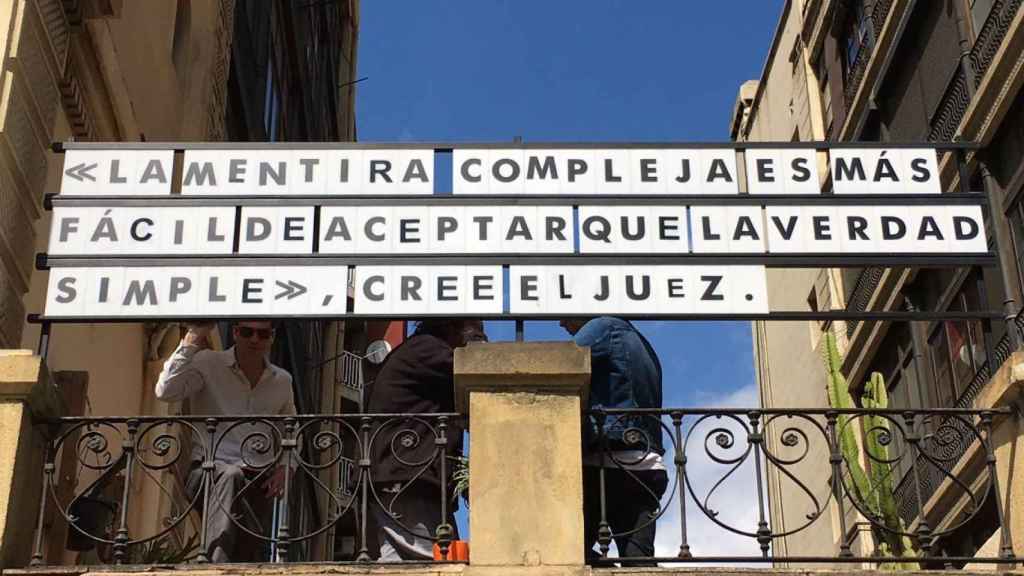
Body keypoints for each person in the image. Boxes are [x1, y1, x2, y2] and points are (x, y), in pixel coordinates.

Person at [155, 320, 296, 563]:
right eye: (246, 332)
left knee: (248, 554)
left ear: (271, 338)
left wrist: (287, 466)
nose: (254, 339)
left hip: (256, 481)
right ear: (235, 333)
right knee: (231, 475)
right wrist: (193, 337)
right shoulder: (209, 362)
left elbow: (291, 429)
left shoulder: (282, 381)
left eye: (262, 334)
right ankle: (212, 567)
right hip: (207, 472)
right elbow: (166, 391)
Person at [364, 319, 485, 561]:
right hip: (408, 477)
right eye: (475, 328)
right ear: (453, 328)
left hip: (402, 477)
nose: (481, 334)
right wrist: (479, 349)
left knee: (404, 559)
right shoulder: (427, 350)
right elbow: (478, 375)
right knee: (442, 560)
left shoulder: (421, 351)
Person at [560, 317, 667, 562]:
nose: (560, 323)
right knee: (638, 561)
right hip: (646, 467)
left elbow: (559, 365)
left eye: (564, 314)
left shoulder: (603, 328)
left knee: (562, 554)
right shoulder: (643, 344)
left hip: (605, 465)